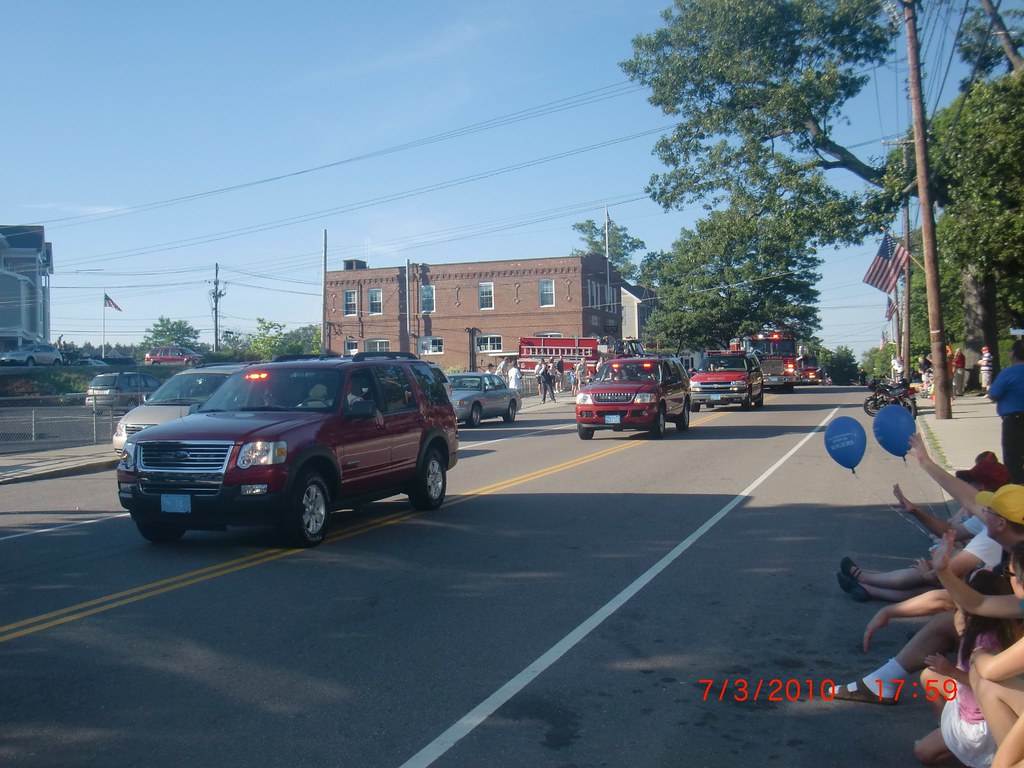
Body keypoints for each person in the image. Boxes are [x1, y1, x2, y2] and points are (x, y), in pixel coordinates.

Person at [829, 436, 1024, 705]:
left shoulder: (1006, 555)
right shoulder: (1006, 539)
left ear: (1001, 523)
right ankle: (882, 683)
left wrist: (975, 650)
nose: (979, 511)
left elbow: (962, 600)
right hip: (999, 623)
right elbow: (972, 600)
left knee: (947, 647)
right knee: (954, 619)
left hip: (1011, 655)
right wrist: (926, 463)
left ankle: (974, 729)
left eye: (988, 510)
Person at [837, 460, 1008, 603]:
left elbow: (952, 569)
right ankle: (867, 587)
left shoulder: (993, 533)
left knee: (929, 582)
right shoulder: (991, 517)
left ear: (981, 487)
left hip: (987, 590)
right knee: (931, 579)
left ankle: (865, 579)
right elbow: (950, 531)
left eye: (967, 485)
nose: (962, 489)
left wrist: (930, 573)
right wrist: (916, 511)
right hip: (979, 580)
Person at [913, 568, 1021, 768]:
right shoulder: (979, 626)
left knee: (924, 753)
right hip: (965, 702)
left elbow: (984, 681)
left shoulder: (986, 641)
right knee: (929, 676)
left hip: (981, 720)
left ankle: (978, 752)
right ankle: (947, 734)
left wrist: (951, 671)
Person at [989, 340, 1024, 484]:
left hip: (1014, 420)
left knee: (1013, 458)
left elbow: (993, 394)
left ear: (1013, 354)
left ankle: (1018, 488)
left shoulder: (1008, 373)